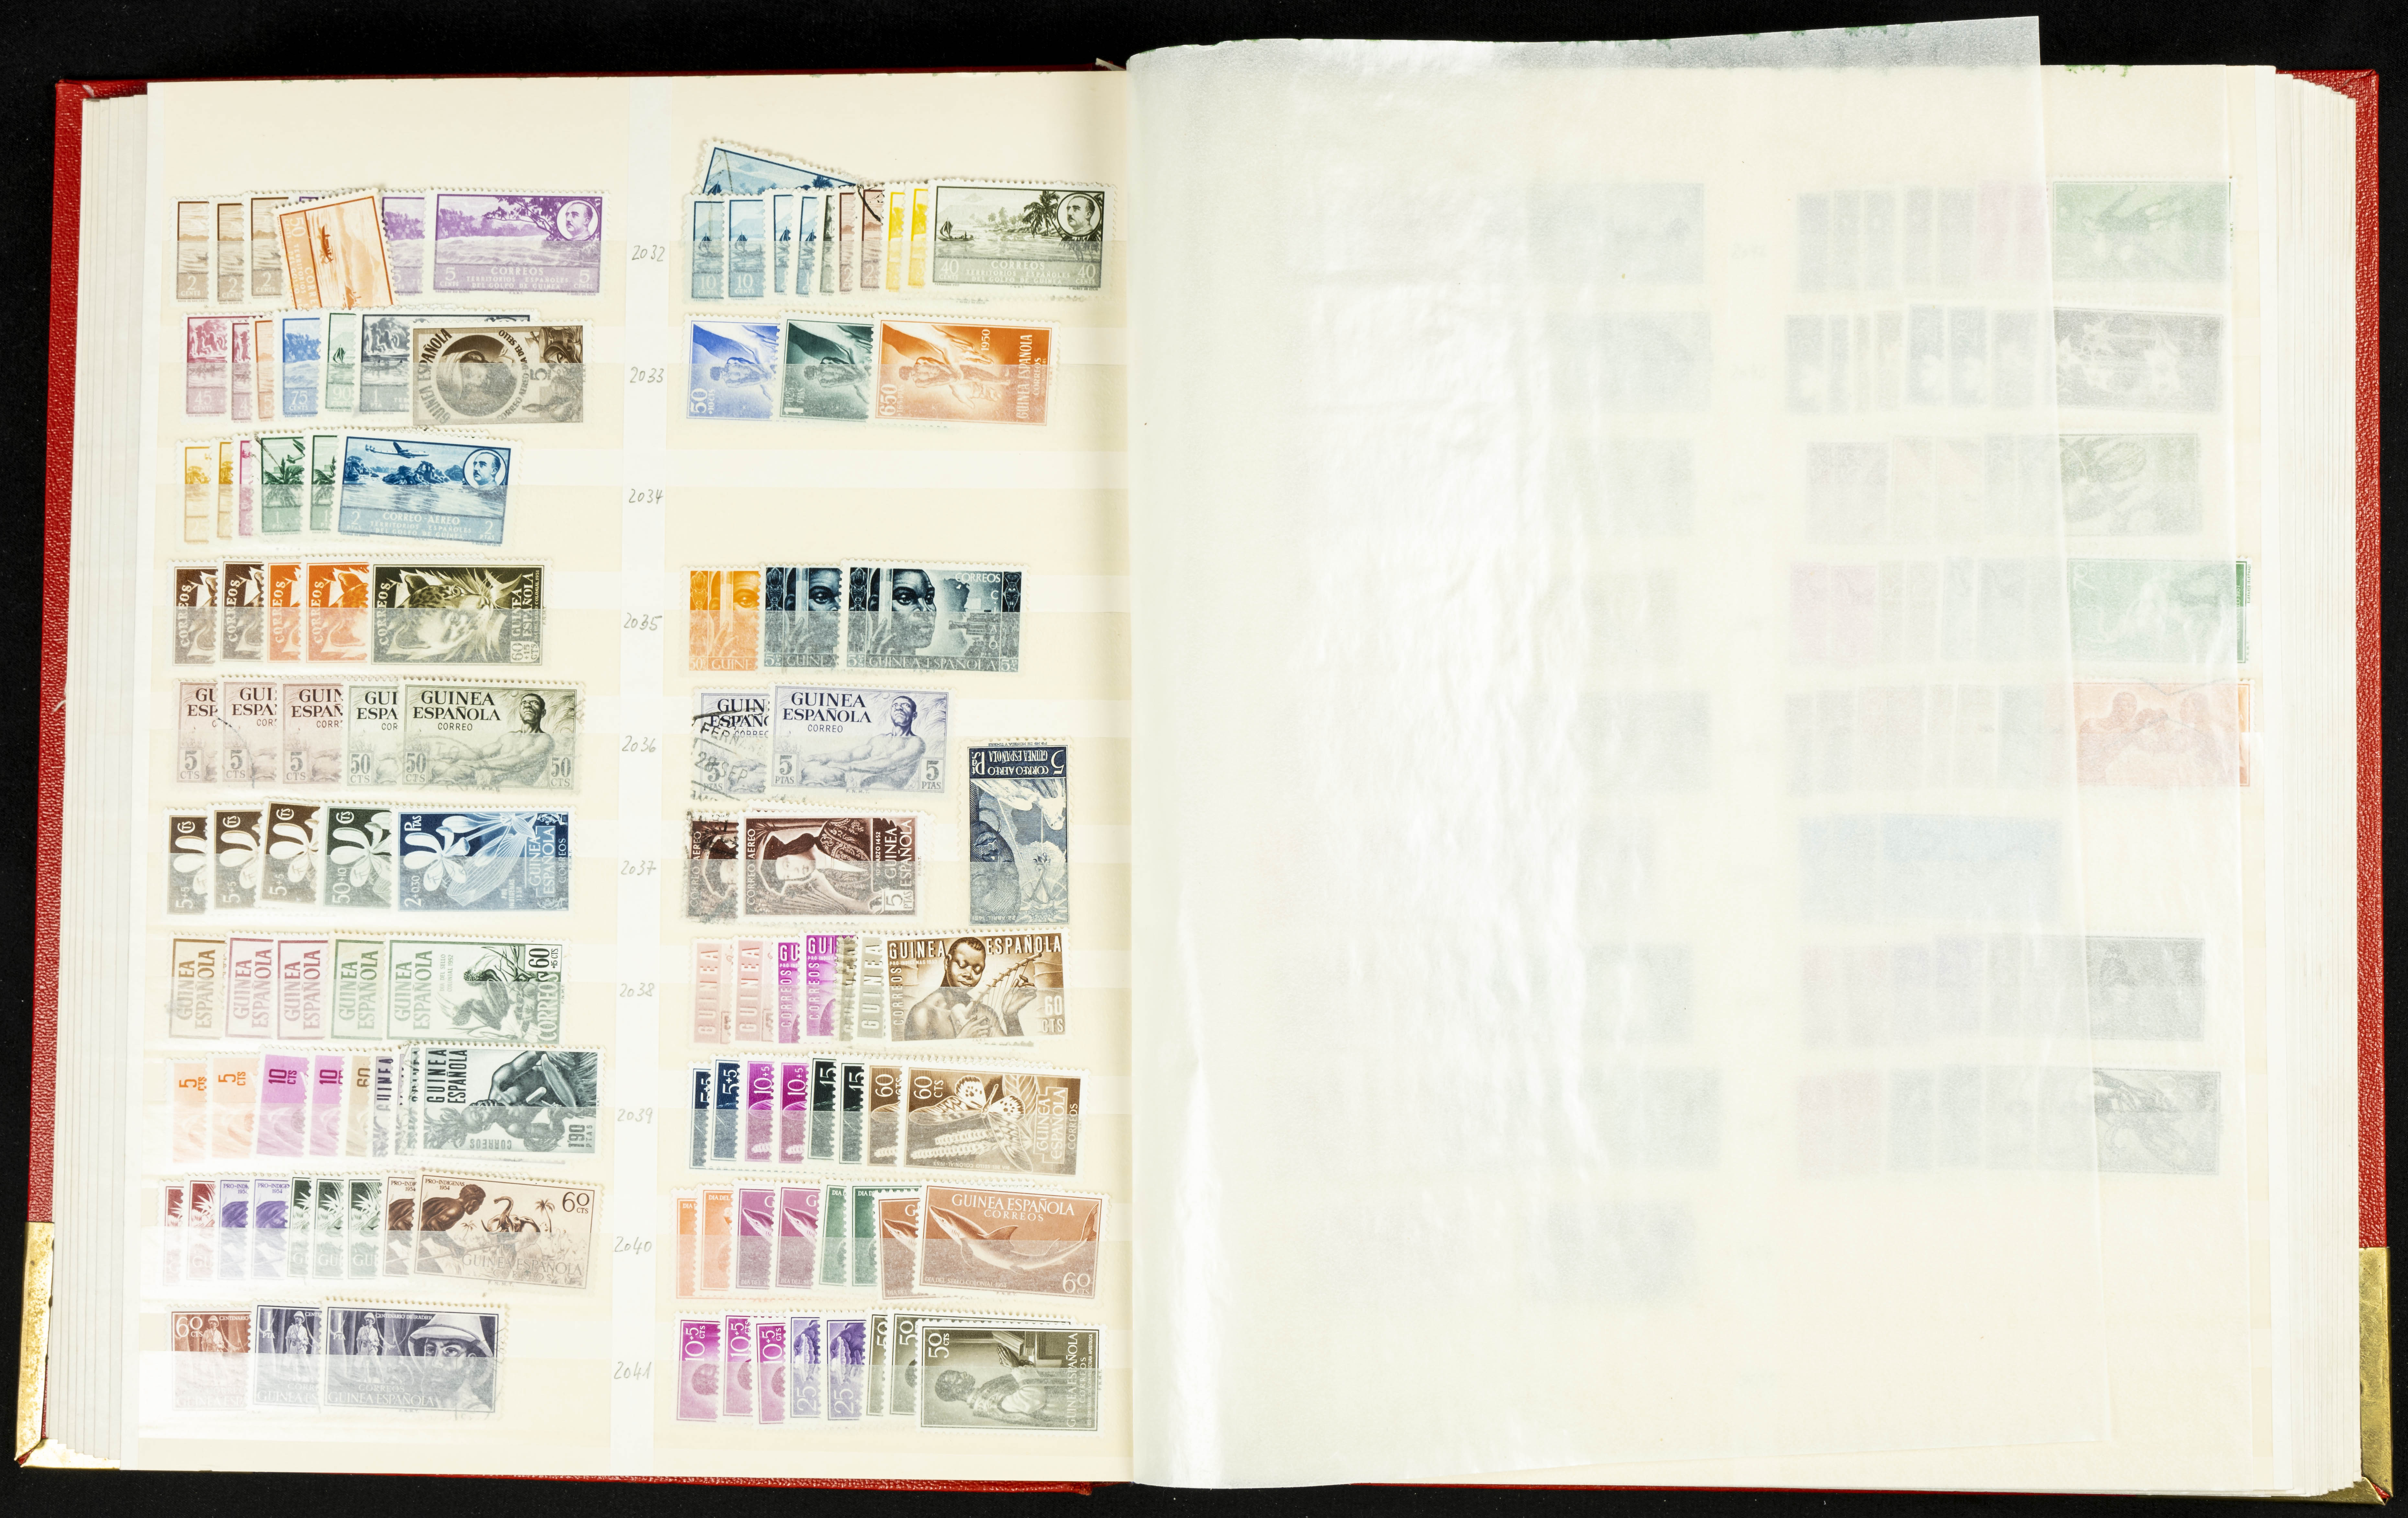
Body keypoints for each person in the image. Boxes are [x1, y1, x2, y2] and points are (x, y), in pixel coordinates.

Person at [417, 689, 559, 788]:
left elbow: (519, 761)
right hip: (489, 776)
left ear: (543, 713)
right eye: (524, 703)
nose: (527, 705)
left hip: (510, 785)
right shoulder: (509, 737)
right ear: (520, 711)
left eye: (534, 703)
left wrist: (479, 765)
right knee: (440, 768)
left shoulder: (545, 739)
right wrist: (452, 755)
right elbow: (481, 752)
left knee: (454, 772)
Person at [788, 693, 927, 790]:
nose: (899, 708)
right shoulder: (879, 740)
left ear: (914, 715)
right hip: (864, 789)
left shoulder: (916, 743)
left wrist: (850, 767)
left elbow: (890, 764)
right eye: (895, 705)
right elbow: (852, 754)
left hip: (887, 795)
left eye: (905, 706)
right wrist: (826, 757)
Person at [751, 826, 871, 914]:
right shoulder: (838, 886)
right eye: (788, 877)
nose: (795, 872)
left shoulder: (833, 830)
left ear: (790, 850)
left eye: (787, 865)